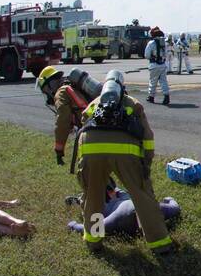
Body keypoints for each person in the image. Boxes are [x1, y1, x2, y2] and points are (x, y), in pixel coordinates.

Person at [74, 71, 174, 256]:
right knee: (142, 197)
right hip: (126, 154)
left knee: (94, 198)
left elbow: (83, 129)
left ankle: (94, 241)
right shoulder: (133, 104)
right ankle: (160, 244)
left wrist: (85, 166)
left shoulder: (92, 105)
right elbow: (148, 138)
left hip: (91, 153)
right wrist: (145, 165)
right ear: (123, 87)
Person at [67, 183, 180, 237]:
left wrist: (73, 225)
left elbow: (94, 229)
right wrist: (169, 200)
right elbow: (174, 208)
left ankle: (79, 199)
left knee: (94, 199)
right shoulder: (156, 209)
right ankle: (79, 199)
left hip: (118, 204)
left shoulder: (119, 216)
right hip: (125, 202)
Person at [145, 27, 170, 105]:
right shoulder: (164, 43)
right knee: (163, 81)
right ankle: (166, 97)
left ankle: (151, 97)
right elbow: (166, 54)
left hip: (154, 65)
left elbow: (147, 55)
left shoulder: (151, 43)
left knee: (153, 82)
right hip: (163, 64)